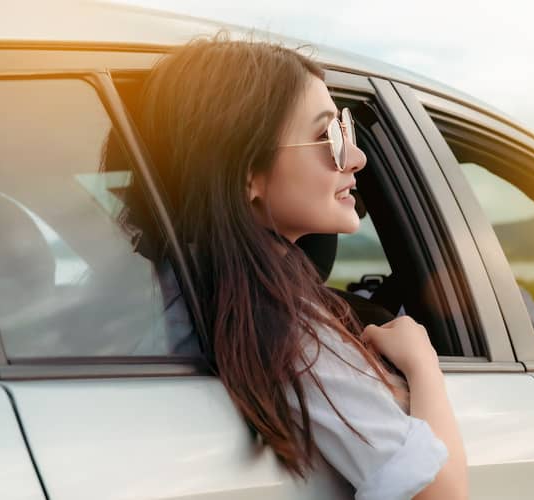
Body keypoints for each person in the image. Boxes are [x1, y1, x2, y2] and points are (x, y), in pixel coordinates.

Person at [128, 33, 467, 500]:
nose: (356, 156)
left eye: (344, 130)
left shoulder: (160, 288)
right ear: (249, 173)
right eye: (327, 136)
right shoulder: (284, 324)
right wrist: (423, 361)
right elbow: (441, 496)